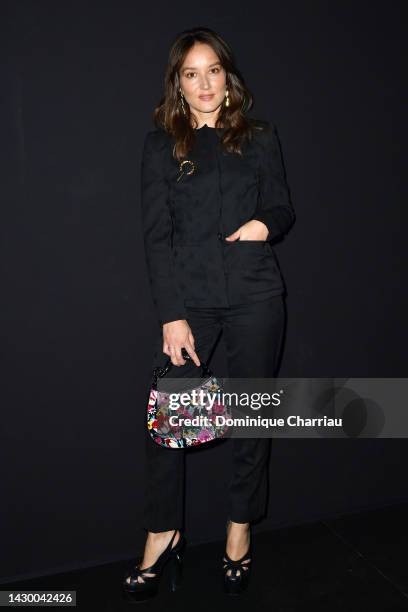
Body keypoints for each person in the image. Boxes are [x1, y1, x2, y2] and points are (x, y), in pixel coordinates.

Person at [122, 26, 295, 601]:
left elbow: (281, 206)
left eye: (213, 70)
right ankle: (163, 532)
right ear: (178, 83)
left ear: (228, 76)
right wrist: (172, 315)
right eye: (190, 73)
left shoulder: (260, 137)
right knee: (167, 428)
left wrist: (264, 225)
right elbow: (156, 239)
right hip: (191, 305)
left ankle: (239, 530)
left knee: (250, 418)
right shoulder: (161, 146)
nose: (204, 83)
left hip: (255, 296)